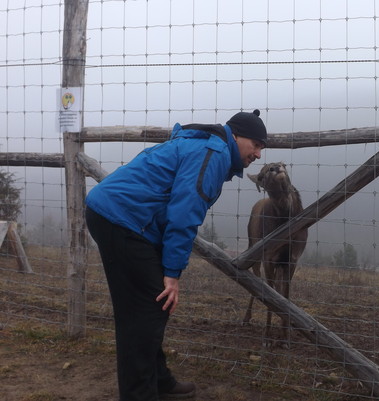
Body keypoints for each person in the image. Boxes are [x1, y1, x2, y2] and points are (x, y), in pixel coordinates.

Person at [85, 110, 268, 401]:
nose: (258, 154)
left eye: (261, 148)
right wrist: (172, 273)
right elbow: (184, 215)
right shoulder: (213, 153)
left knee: (146, 308)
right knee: (147, 310)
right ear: (235, 136)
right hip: (122, 220)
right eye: (255, 145)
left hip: (119, 217)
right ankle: (140, 394)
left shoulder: (207, 146)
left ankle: (159, 381)